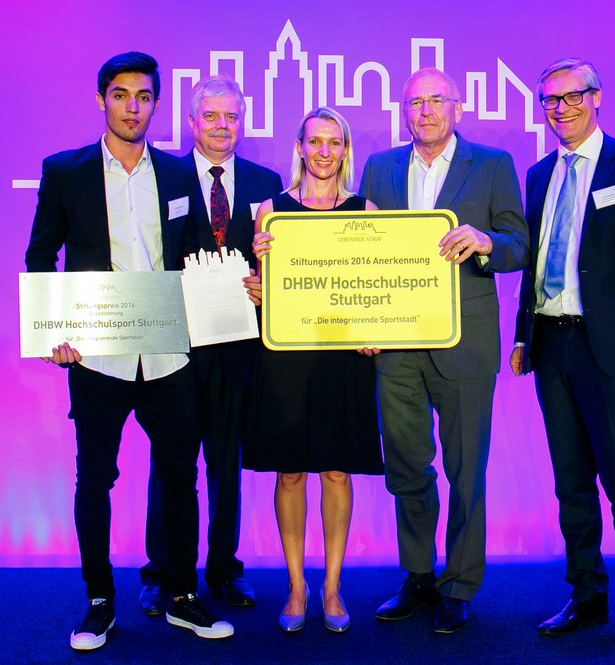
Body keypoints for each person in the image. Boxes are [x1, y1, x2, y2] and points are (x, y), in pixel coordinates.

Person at [25, 52, 234, 649]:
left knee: (179, 478)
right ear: (101, 100)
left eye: (143, 97)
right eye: (121, 95)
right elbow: (41, 257)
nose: (132, 106)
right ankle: (98, 602)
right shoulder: (65, 171)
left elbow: (196, 255)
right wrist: (50, 332)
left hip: (169, 353)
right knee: (95, 478)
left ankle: (182, 596)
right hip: (97, 355)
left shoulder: (176, 175)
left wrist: (234, 286)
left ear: (156, 104)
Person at [510, 58, 615, 663]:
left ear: (597, 98)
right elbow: (534, 265)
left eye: (572, 96)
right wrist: (524, 335)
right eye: (549, 100)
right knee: (570, 484)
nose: (561, 108)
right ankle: (586, 597)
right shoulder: (537, 175)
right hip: (551, 344)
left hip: (611, 349)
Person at [358, 67, 529, 633]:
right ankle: (418, 575)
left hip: (465, 342)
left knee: (465, 471)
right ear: (403, 112)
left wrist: (486, 241)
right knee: (406, 467)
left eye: (437, 100)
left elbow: (518, 244)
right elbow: (363, 254)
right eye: (415, 103)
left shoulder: (494, 165)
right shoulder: (379, 168)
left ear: (458, 108)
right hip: (397, 345)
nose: (426, 110)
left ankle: (459, 584)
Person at [138, 75, 282, 616]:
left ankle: (224, 569)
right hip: (177, 347)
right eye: (211, 116)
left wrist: (271, 279)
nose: (222, 126)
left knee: (227, 465)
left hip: (239, 350)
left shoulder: (267, 182)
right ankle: (162, 575)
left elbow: (284, 262)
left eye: (231, 116)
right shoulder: (164, 176)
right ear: (192, 122)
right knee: (170, 466)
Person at [243, 107, 384, 633]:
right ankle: (297, 585)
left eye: (335, 143)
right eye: (315, 142)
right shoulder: (269, 212)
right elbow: (259, 291)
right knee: (291, 471)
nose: (324, 152)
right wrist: (256, 276)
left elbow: (375, 285)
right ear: (299, 147)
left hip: (344, 358)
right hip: (285, 358)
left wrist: (375, 328)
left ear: (346, 151)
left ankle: (332, 586)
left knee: (337, 470)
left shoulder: (363, 209)